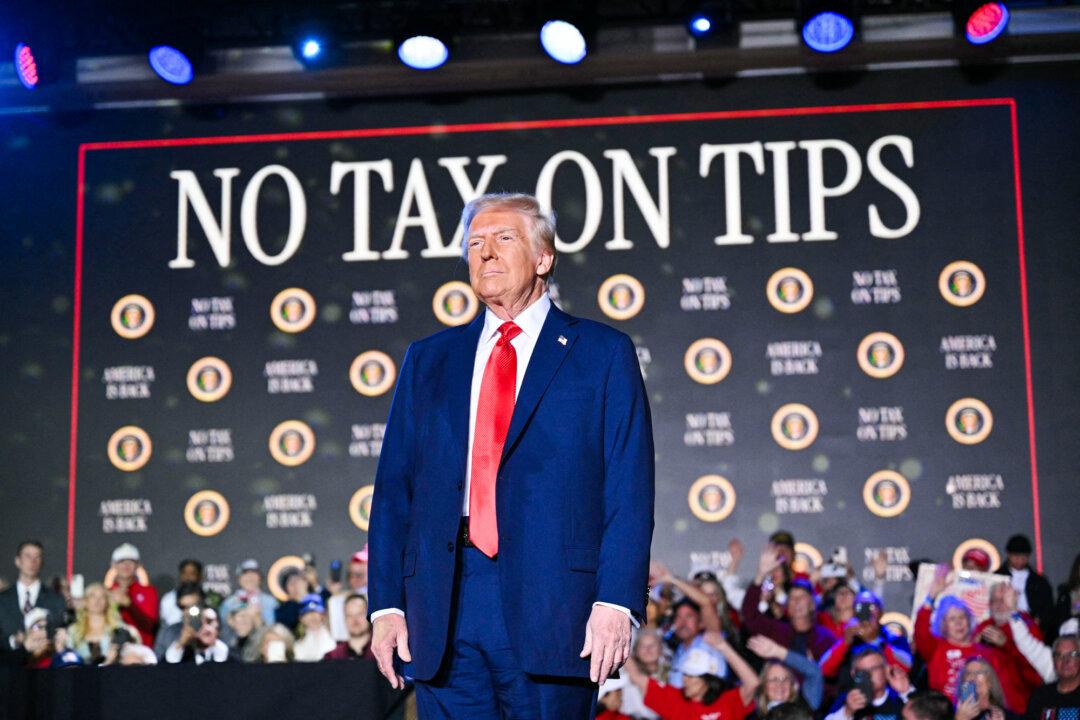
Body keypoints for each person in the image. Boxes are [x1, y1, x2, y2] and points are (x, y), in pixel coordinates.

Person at [368, 192, 655, 719]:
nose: (486, 253)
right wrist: (386, 605)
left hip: (556, 606)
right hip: (444, 606)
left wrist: (616, 602)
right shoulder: (428, 359)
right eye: (475, 243)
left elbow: (628, 490)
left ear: (544, 258)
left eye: (504, 239)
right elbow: (392, 493)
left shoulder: (601, 353)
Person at [625, 631, 760, 720]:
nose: (685, 679)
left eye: (692, 675)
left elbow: (753, 683)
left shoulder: (728, 702)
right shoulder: (675, 700)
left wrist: (724, 647)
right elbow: (636, 676)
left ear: (707, 679)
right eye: (685, 674)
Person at [915, 573, 1003, 701]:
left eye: (962, 617)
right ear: (942, 625)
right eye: (952, 619)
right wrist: (930, 597)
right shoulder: (936, 648)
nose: (958, 623)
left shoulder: (986, 652)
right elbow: (920, 633)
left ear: (969, 620)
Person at [742, 559, 836, 661]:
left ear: (812, 605)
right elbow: (750, 615)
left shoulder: (825, 638)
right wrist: (760, 576)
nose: (796, 601)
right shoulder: (777, 630)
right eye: (792, 597)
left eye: (802, 596)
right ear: (787, 606)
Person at [974, 583, 1045, 713]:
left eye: (1004, 600)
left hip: (1019, 705)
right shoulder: (982, 628)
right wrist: (974, 648)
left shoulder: (1027, 627)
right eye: (996, 600)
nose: (1000, 604)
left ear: (1013, 602)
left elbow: (1036, 674)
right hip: (986, 706)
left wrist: (1007, 645)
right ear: (989, 604)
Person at [821, 591, 913, 681]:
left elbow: (907, 666)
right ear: (853, 611)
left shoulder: (894, 639)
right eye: (859, 606)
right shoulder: (847, 637)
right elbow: (823, 669)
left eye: (871, 607)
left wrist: (874, 640)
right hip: (852, 691)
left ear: (881, 612)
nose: (865, 611)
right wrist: (844, 643)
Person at [0, 541, 67, 646]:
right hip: (9, 661)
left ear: (42, 562)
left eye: (37, 557)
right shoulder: (2, 599)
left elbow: (59, 632)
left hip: (45, 660)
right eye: (28, 556)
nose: (33, 561)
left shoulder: (56, 599)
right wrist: (14, 641)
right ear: (18, 561)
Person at [824, 647, 911, 720]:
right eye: (863, 671)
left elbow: (921, 714)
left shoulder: (900, 698)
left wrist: (906, 692)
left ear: (886, 669)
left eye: (874, 668)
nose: (869, 675)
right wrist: (847, 711)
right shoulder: (846, 700)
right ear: (853, 674)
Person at [67, 582, 140, 665]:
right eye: (92, 596)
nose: (97, 600)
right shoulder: (73, 631)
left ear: (107, 602)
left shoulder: (119, 628)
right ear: (85, 601)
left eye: (102, 597)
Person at [748, 634, 825, 711]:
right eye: (774, 679)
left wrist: (777, 651)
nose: (780, 684)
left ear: (793, 685)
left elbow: (815, 672)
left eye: (785, 679)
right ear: (764, 686)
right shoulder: (757, 716)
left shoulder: (805, 706)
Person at [997, 536, 1054, 636]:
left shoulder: (1039, 581)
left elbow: (1048, 607)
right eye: (1016, 557)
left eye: (1024, 557)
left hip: (1031, 625)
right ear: (1008, 555)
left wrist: (1040, 619)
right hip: (1005, 626)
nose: (1020, 561)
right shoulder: (997, 578)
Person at [668, 598, 730, 687]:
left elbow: (706, 603)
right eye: (678, 617)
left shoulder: (711, 642)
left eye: (689, 616)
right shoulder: (678, 650)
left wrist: (672, 583)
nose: (682, 623)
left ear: (701, 623)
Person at [107, 543, 158, 646]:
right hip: (111, 650)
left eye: (131, 562)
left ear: (138, 565)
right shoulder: (106, 592)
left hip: (141, 651)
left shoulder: (148, 592)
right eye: (121, 561)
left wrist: (129, 605)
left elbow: (150, 626)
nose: (126, 565)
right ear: (113, 565)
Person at [1024, 634, 1080, 720]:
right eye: (1059, 655)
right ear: (1053, 661)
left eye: (1072, 654)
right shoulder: (1041, 696)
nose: (1066, 661)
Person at [163, 606, 235, 664]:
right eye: (199, 623)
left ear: (218, 626)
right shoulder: (184, 653)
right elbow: (170, 662)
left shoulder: (229, 654)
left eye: (209, 622)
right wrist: (181, 643)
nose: (205, 627)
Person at [220, 559, 278, 627]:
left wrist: (258, 617)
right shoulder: (229, 603)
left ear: (260, 579)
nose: (250, 578)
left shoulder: (270, 602)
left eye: (253, 574)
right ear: (239, 579)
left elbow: (273, 628)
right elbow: (224, 630)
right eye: (245, 574)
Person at [329, 548, 368, 641]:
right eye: (351, 575)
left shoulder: (381, 600)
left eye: (359, 575)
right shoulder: (337, 599)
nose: (354, 579)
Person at [324, 594, 373, 661]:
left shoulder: (383, 653)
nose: (355, 619)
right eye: (349, 615)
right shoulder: (332, 657)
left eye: (360, 614)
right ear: (344, 619)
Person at [159, 559, 204, 627]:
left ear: (199, 576)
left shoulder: (207, 599)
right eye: (184, 573)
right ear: (180, 575)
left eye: (192, 574)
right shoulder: (168, 599)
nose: (188, 577)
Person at [293, 593, 336, 662]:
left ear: (323, 615)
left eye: (316, 612)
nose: (312, 616)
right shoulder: (297, 645)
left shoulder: (334, 637)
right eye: (307, 613)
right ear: (301, 618)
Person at [273, 566, 310, 632]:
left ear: (305, 583)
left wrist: (305, 597)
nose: (295, 584)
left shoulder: (319, 599)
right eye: (290, 583)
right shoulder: (282, 610)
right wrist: (300, 600)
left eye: (297, 580)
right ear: (286, 590)